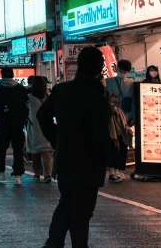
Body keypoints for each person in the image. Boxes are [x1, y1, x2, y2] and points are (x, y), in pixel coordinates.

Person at [37, 47, 111, 248]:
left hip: (66, 157)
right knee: (83, 210)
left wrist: (56, 139)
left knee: (67, 202)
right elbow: (101, 134)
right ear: (98, 68)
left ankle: (54, 242)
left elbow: (42, 115)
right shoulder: (98, 98)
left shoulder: (62, 90)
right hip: (90, 160)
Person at [0, 67, 29, 184]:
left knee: (1, 149)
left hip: (4, 123)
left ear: (2, 75)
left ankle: (0, 173)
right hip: (18, 123)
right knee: (18, 150)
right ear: (13, 75)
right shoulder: (21, 88)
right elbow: (27, 106)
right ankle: (17, 176)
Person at [26, 76, 54, 183]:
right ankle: (48, 174)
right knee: (47, 150)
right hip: (46, 125)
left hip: (34, 126)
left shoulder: (29, 98)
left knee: (36, 150)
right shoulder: (48, 97)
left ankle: (37, 172)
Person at [106, 86, 132, 184]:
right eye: (114, 97)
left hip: (120, 134)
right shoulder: (110, 109)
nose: (117, 99)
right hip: (113, 134)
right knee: (113, 153)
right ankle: (113, 173)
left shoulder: (118, 109)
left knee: (121, 152)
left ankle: (118, 171)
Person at [107, 59, 135, 126]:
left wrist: (134, 117)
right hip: (112, 117)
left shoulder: (132, 84)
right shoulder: (108, 82)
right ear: (117, 68)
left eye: (125, 71)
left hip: (127, 117)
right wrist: (110, 100)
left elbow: (134, 101)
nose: (122, 72)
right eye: (121, 70)